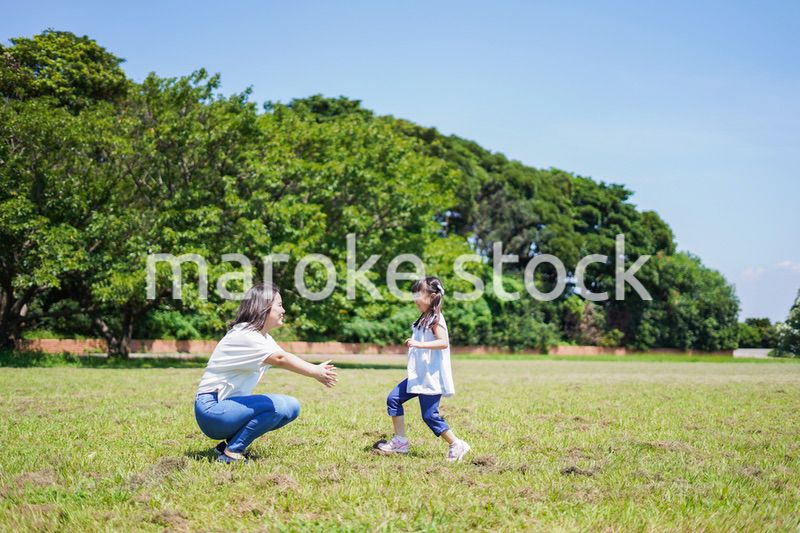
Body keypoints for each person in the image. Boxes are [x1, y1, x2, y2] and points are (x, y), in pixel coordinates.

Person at [194, 284, 337, 463]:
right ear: (264, 306)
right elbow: (280, 358)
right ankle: (231, 454)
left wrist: (315, 368)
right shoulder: (244, 335)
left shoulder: (262, 337)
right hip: (212, 411)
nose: (283, 310)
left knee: (291, 406)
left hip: (227, 409)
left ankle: (226, 446)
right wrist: (315, 371)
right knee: (275, 406)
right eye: (279, 304)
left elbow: (284, 356)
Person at [376, 276, 470, 461]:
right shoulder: (424, 318)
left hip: (430, 377)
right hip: (418, 376)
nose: (415, 299)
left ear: (433, 296)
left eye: (418, 294)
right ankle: (400, 441)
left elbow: (443, 342)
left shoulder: (436, 318)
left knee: (429, 415)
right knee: (393, 399)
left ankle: (456, 444)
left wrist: (418, 344)